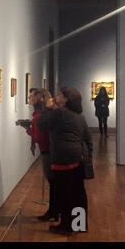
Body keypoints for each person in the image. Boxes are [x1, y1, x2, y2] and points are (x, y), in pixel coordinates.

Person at [37, 87, 89, 235]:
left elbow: (41, 124)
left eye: (59, 95)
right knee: (78, 193)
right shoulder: (77, 114)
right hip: (77, 156)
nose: (56, 96)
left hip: (63, 157)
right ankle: (80, 224)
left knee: (65, 193)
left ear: (66, 99)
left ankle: (66, 226)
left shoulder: (60, 113)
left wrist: (47, 109)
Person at [21, 88, 58, 221]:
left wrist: (28, 130)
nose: (29, 97)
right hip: (50, 151)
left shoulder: (39, 117)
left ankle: (54, 211)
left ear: (39, 99)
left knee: (53, 182)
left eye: (31, 96)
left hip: (47, 152)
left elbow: (40, 138)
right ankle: (54, 211)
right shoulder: (43, 115)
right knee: (54, 183)